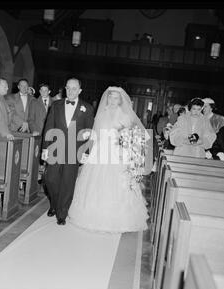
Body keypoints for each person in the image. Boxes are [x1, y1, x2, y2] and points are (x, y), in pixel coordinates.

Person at [68, 86, 153, 233]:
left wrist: (129, 144)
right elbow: (94, 135)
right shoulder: (101, 114)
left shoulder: (126, 116)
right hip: (100, 152)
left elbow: (142, 135)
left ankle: (119, 218)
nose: (112, 100)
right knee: (95, 183)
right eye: (110, 97)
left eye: (116, 98)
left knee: (118, 184)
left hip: (118, 154)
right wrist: (88, 150)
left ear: (121, 100)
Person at [42, 78, 95, 225]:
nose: (71, 91)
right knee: (50, 179)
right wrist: (45, 148)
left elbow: (90, 133)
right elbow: (49, 127)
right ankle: (54, 203)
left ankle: (62, 213)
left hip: (74, 151)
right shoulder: (56, 105)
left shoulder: (87, 108)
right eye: (69, 88)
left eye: (74, 88)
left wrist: (86, 152)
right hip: (55, 149)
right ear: (65, 89)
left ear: (80, 90)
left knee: (67, 182)